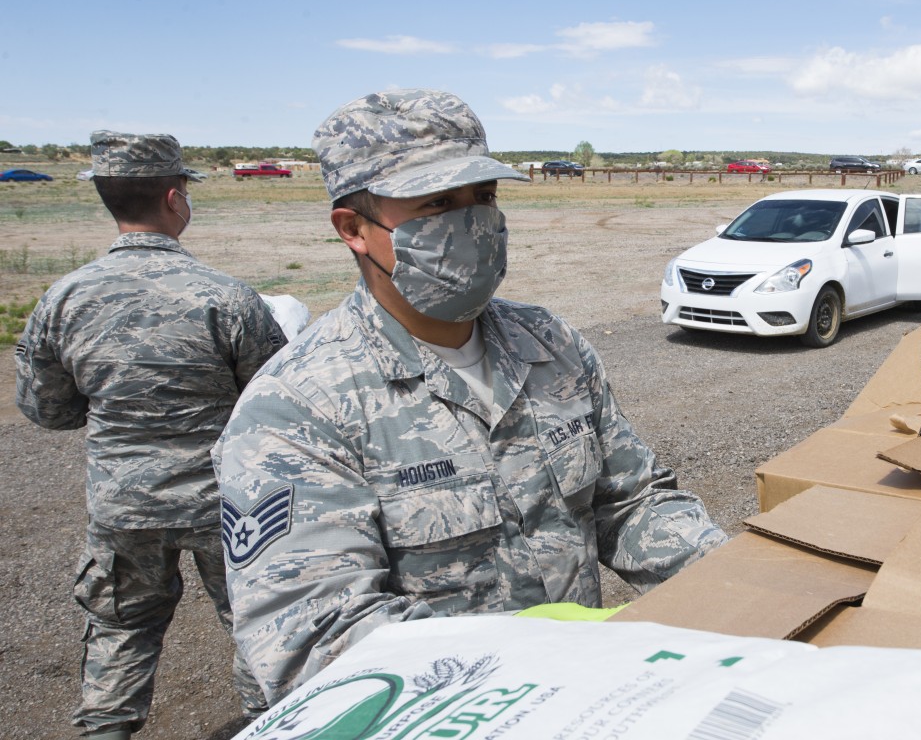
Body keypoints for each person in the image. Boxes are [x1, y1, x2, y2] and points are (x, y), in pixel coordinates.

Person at [213, 89, 728, 704]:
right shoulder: (299, 407)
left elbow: (632, 503)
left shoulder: (551, 344)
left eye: (483, 198)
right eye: (438, 205)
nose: (473, 224)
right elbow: (320, 640)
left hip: (583, 702)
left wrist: (739, 590)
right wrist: (533, 666)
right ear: (354, 229)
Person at [14, 131, 285, 739]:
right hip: (227, 505)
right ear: (173, 197)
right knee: (255, 623)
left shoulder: (62, 300)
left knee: (120, 628)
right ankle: (274, 726)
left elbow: (48, 412)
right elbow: (278, 405)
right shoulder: (229, 298)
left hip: (122, 504)